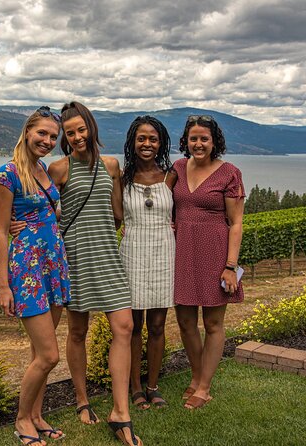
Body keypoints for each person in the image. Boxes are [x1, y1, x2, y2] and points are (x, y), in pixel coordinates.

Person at [11, 102, 142, 446]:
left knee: (124, 327)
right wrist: (14, 223)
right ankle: (82, 400)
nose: (77, 137)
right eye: (69, 133)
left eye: (81, 129)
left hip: (107, 256)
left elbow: (117, 212)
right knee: (78, 331)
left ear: (91, 128)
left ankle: (120, 411)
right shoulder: (58, 168)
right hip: (73, 259)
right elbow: (40, 205)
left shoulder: (111, 166)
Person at [0, 106, 70, 446]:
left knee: (39, 354)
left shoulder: (43, 170)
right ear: (27, 132)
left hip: (53, 265)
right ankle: (22, 419)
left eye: (53, 136)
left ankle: (37, 416)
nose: (48, 141)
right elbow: (0, 232)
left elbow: (49, 212)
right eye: (42, 133)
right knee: (50, 355)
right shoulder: (6, 174)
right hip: (28, 270)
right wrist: (3, 286)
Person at [171, 114, 245, 410]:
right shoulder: (177, 168)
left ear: (215, 142)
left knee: (213, 323)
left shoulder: (229, 173)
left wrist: (230, 266)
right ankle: (196, 374)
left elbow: (236, 223)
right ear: (186, 141)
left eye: (204, 138)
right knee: (186, 322)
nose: (198, 144)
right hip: (181, 253)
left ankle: (204, 387)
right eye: (194, 138)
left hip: (215, 254)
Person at [119, 116, 175, 411]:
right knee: (132, 326)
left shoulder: (171, 177)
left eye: (153, 139)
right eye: (141, 138)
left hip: (164, 253)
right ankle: (135, 388)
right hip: (132, 253)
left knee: (157, 324)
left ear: (160, 143)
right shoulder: (121, 178)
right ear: (132, 142)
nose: (147, 144)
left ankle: (153, 386)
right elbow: (113, 218)